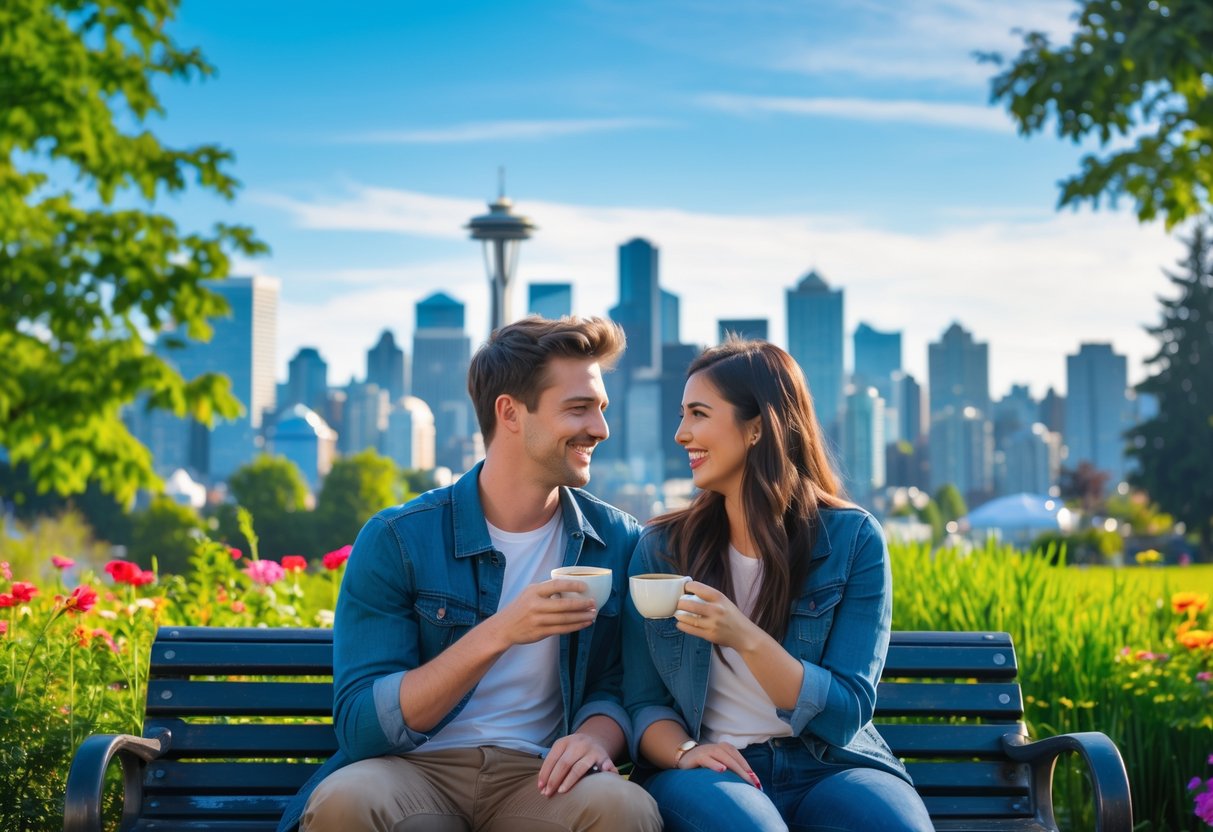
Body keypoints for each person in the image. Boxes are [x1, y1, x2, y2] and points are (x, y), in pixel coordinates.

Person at [283, 316, 661, 832]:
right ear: (509, 412)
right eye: (579, 408)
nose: (600, 428)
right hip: (411, 772)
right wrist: (503, 630)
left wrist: (597, 737)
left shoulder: (618, 541)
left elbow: (620, 685)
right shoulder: (398, 538)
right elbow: (362, 728)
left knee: (626, 808)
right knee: (345, 801)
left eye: (600, 408)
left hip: (541, 779)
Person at [622, 339, 933, 831]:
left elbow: (844, 713)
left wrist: (743, 636)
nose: (682, 434)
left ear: (757, 428)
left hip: (832, 763)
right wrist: (687, 751)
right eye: (682, 415)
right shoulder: (661, 548)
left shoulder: (853, 540)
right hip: (714, 770)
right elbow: (642, 703)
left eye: (698, 414)